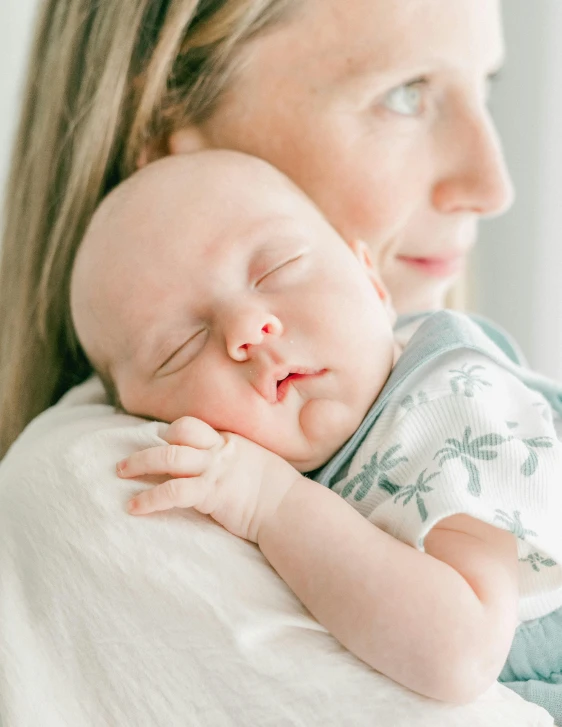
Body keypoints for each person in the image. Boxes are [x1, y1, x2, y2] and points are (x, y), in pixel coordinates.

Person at [71, 150, 562, 720]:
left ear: (372, 280)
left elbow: (461, 651)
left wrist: (271, 502)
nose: (247, 328)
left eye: (276, 269)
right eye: (180, 349)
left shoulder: (452, 403)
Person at [0, 0, 513, 460]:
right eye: (405, 95)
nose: (494, 189)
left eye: (485, 89)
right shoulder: (118, 493)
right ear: (159, 124)